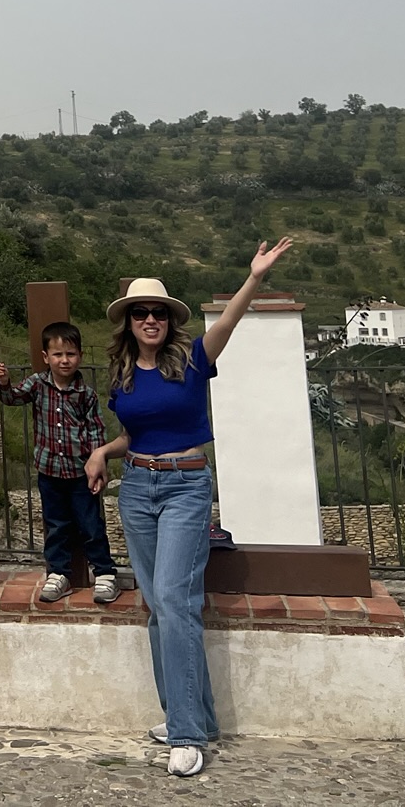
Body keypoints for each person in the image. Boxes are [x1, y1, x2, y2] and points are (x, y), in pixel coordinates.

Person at [85, 239, 294, 779]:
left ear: (168, 320)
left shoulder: (193, 359)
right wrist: (103, 451)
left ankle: (183, 732)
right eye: (140, 313)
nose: (150, 319)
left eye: (157, 312)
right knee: (158, 605)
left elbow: (229, 322)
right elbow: (135, 435)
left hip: (185, 487)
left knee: (176, 602)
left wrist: (254, 279)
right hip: (136, 488)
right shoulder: (123, 376)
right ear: (128, 322)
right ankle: (194, 715)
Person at [0, 320, 119, 604]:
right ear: (45, 357)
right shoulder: (37, 384)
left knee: (91, 525)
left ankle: (105, 574)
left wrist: (99, 465)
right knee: (56, 525)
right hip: (49, 471)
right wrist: (3, 382)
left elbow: (96, 431)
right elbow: (12, 398)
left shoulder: (85, 394)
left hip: (80, 472)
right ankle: (58, 574)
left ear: (80, 357)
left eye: (71, 354)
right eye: (58, 354)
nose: (65, 360)